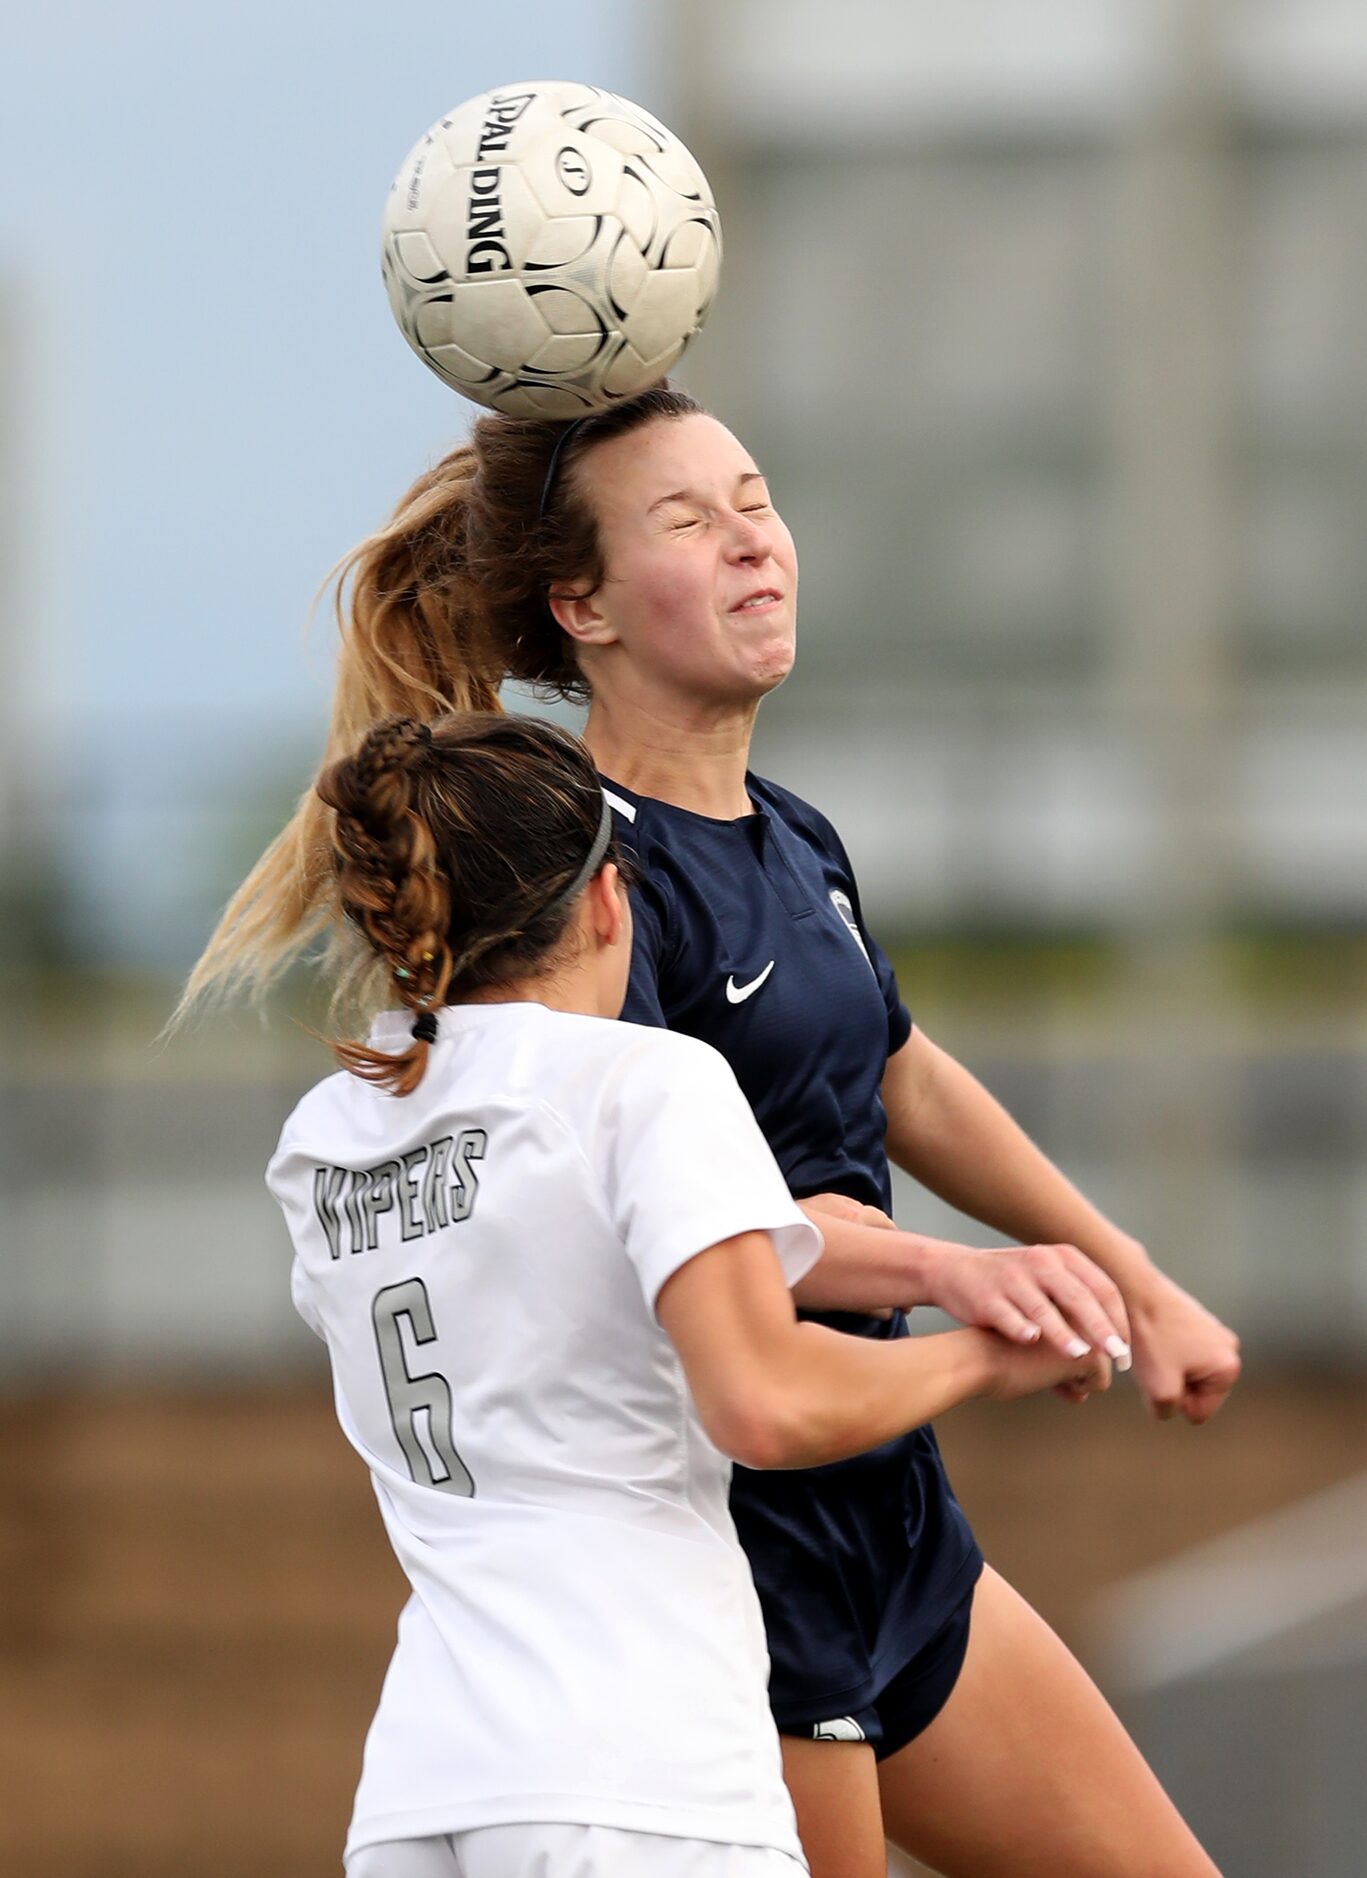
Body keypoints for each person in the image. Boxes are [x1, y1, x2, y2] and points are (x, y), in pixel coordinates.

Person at [189, 386, 1238, 1876]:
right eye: (688, 520)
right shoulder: (579, 906)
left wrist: (1123, 1268)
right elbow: (675, 1255)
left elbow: (897, 1074)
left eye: (756, 498)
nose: (753, 542)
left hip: (891, 1517)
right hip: (738, 1561)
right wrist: (962, 1289)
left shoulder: (790, 837)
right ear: (582, 605)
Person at [266, 708, 1117, 1878]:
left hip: (426, 1789)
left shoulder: (328, 1137)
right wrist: (983, 1354)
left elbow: (564, 1278)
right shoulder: (648, 1080)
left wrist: (937, 1266)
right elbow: (764, 1405)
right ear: (609, 901)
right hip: (637, 1773)